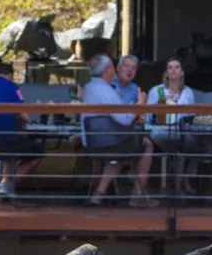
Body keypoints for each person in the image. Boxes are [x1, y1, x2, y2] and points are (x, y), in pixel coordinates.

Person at [82, 53, 155, 207]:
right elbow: (126, 119)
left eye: (134, 68)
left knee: (123, 148)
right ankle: (137, 195)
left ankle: (99, 194)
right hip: (110, 142)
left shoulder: (89, 87)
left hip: (94, 142)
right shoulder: (108, 91)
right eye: (118, 67)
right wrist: (140, 105)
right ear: (109, 69)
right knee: (143, 145)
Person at [0, 56, 44, 201]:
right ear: (9, 76)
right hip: (6, 142)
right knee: (38, 151)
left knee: (9, 148)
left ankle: (0, 184)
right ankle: (5, 184)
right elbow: (25, 116)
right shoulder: (13, 87)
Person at [147, 57, 202, 197]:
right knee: (180, 145)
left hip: (183, 131)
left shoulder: (188, 92)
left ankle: (184, 181)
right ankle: (180, 186)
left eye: (177, 67)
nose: (173, 70)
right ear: (166, 73)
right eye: (170, 67)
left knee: (197, 143)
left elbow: (191, 117)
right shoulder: (157, 91)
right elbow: (148, 116)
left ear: (182, 72)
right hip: (162, 131)